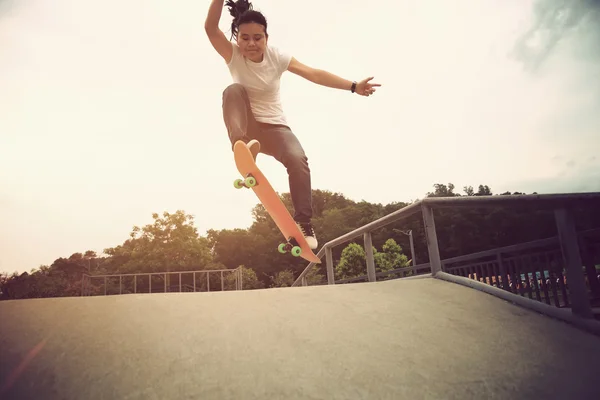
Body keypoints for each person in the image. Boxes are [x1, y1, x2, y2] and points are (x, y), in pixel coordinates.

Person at [204, 0, 381, 250]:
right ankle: (241, 147)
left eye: (257, 38)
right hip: (247, 129)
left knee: (298, 160)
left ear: (266, 37)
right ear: (237, 38)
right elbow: (211, 29)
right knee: (232, 91)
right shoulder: (232, 54)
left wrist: (353, 86)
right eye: (245, 38)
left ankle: (304, 223)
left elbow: (313, 73)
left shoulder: (278, 57)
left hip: (276, 129)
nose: (251, 44)